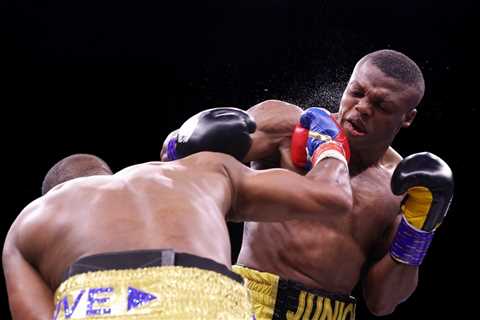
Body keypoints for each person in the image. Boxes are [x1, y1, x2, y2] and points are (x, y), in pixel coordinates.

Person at [164, 49, 454, 320]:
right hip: (249, 302)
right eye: (356, 92)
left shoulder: (400, 187)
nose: (362, 108)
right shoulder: (289, 127)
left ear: (407, 118)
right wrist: (188, 140)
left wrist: (419, 230)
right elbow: (174, 161)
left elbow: (382, 302)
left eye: (381, 105)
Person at [3, 108, 354, 320]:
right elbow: (332, 196)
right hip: (203, 297)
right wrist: (328, 145)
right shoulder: (198, 170)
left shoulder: (28, 225)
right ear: (110, 176)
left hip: (94, 303)